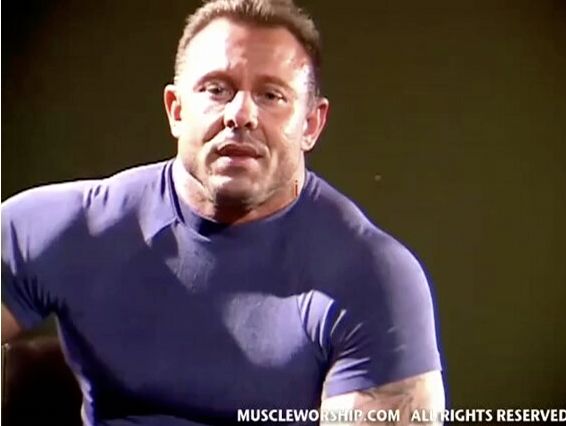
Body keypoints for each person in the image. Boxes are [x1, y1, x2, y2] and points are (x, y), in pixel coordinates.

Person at [1, 0, 445, 424]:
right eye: (217, 89)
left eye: (271, 95)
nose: (241, 114)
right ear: (176, 111)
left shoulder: (372, 278)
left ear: (311, 124)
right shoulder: (65, 227)